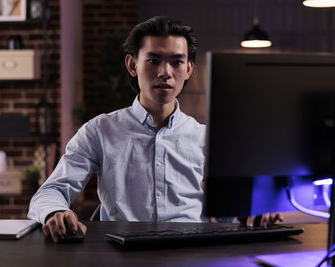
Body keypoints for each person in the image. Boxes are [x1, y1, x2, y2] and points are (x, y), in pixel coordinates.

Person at [28, 16, 282, 243]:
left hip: (194, 252)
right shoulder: (99, 131)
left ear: (189, 69)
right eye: (153, 60)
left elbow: (228, 216)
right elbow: (51, 191)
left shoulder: (207, 138)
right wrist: (56, 211)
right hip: (120, 253)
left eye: (176, 62)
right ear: (132, 65)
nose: (165, 72)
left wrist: (250, 213)